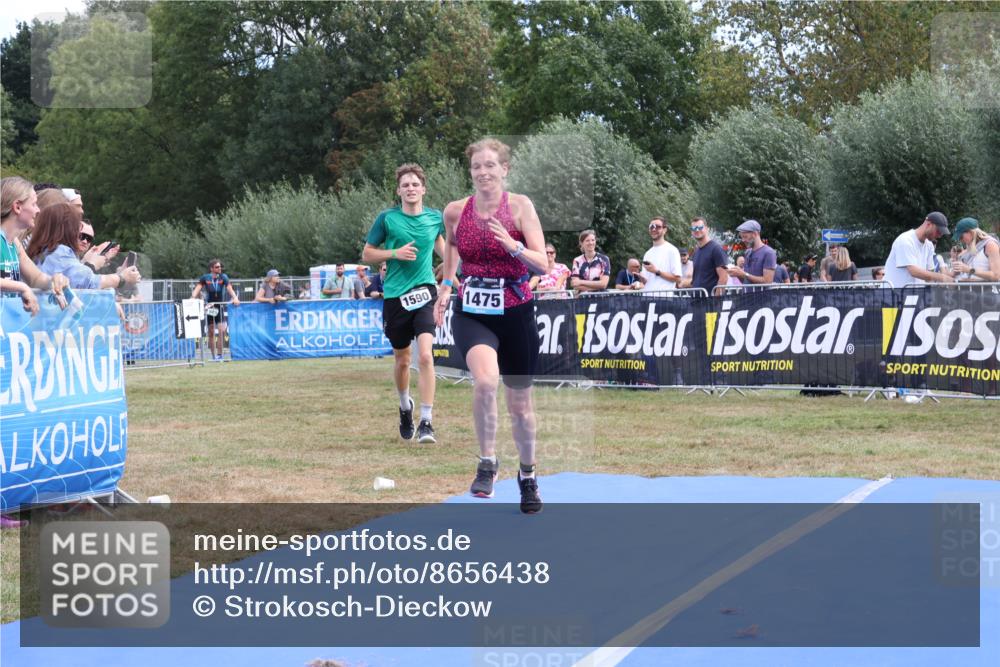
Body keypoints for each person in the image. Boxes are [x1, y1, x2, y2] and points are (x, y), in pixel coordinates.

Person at [433, 138, 546, 514]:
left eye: (490, 165)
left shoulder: (520, 207)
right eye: (476, 166)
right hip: (473, 312)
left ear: (504, 169)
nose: (483, 172)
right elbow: (451, 246)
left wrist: (512, 245)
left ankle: (527, 475)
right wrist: (446, 286)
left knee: (521, 407)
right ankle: (487, 462)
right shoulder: (455, 211)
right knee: (484, 382)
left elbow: (543, 264)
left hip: (516, 313)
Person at [362, 163, 446, 444]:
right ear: (398, 191)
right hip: (396, 296)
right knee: (403, 360)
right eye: (405, 185)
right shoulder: (387, 219)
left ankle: (427, 421)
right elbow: (367, 254)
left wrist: (453, 274)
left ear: (424, 189)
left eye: (415, 184)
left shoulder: (435, 218)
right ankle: (404, 406)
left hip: (425, 292)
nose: (411, 188)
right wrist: (394, 253)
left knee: (425, 356)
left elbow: (444, 250)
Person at [28, 203, 141, 291]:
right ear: (67, 229)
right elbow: (86, 281)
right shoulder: (59, 252)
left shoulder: (42, 251)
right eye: (80, 233)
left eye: (89, 239)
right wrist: (121, 278)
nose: (85, 241)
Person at [1, 176, 69, 315]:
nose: (38, 210)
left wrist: (54, 280)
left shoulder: (14, 242)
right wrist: (21, 287)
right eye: (34, 204)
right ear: (17, 207)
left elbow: (35, 278)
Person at [883, 212, 955, 286]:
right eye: (938, 231)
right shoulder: (906, 240)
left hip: (914, 291)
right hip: (893, 291)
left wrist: (940, 285)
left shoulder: (929, 245)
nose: (940, 235)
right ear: (928, 224)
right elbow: (914, 271)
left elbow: (930, 273)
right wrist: (942, 278)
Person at [192, 259, 240, 361]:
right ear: (211, 269)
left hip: (219, 306)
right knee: (211, 332)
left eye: (220, 266)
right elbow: (198, 288)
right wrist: (192, 298)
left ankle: (219, 355)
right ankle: (213, 356)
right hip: (210, 307)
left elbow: (229, 288)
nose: (220, 268)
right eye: (217, 267)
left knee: (222, 331)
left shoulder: (223, 277)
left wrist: (235, 297)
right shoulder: (205, 278)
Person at [681, 217, 728, 295]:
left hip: (710, 300)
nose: (697, 230)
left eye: (700, 227)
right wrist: (682, 283)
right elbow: (698, 279)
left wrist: (716, 300)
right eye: (694, 228)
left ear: (707, 229)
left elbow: (723, 278)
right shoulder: (696, 251)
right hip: (696, 299)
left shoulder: (716, 249)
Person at [727, 219, 776, 285]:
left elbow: (767, 281)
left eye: (745, 237)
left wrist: (744, 274)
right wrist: (738, 274)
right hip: (747, 291)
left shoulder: (769, 253)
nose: (743, 240)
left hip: (762, 292)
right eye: (742, 237)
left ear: (755, 234)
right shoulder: (747, 252)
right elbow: (745, 281)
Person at [950, 217, 1000, 282]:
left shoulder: (990, 245)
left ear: (971, 232)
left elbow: (996, 276)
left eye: (961, 237)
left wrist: (969, 270)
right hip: (967, 287)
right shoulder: (969, 249)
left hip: (983, 288)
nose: (960, 240)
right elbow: (955, 274)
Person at [640, 217, 683, 293]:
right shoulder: (647, 253)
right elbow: (646, 281)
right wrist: (641, 278)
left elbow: (678, 279)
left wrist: (656, 271)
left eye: (658, 227)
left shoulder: (672, 250)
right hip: (647, 296)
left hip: (663, 297)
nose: (654, 229)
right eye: (651, 227)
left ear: (664, 230)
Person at [569, 229, 610, 293]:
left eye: (593, 240)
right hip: (582, 297)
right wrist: (597, 286)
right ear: (581, 243)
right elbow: (575, 284)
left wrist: (581, 282)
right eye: (587, 240)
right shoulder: (577, 260)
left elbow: (604, 284)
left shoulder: (604, 259)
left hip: (601, 297)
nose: (591, 243)